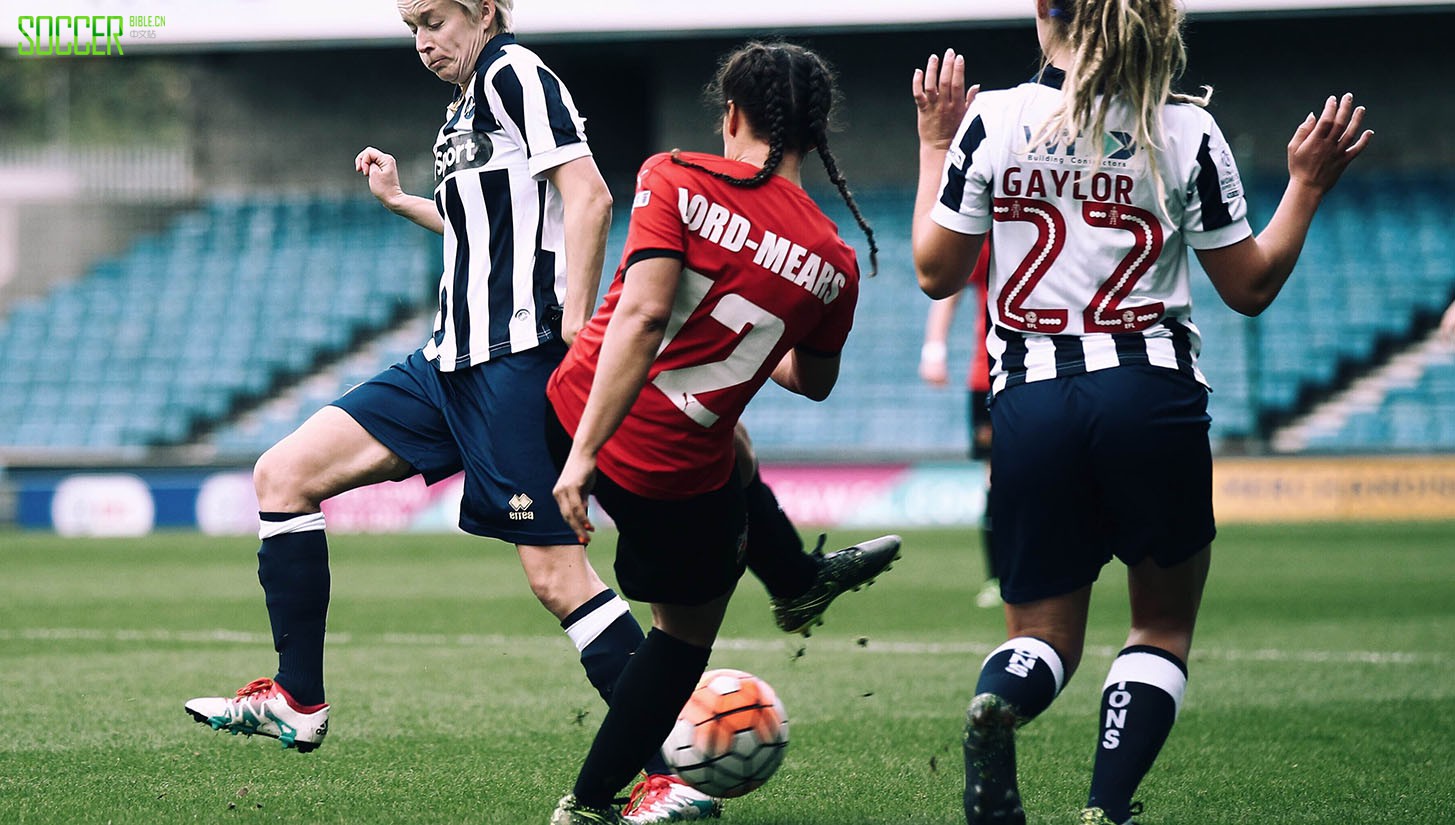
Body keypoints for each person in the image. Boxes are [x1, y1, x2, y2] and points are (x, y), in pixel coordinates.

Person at [183, 5, 895, 822]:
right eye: (411, 22)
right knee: (282, 474)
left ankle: (668, 768)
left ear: (484, 10)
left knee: (557, 576)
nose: (423, 37)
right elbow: (489, 229)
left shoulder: (516, 72)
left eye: (437, 17)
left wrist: (576, 323)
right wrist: (404, 201)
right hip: (447, 359)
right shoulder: (466, 105)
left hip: (513, 359)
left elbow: (586, 198)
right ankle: (297, 697)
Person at [909, 1, 1371, 822]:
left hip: (1030, 399)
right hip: (1148, 389)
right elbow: (1249, 287)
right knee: (1157, 628)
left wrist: (933, 143)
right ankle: (1104, 808)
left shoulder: (989, 119)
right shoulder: (1186, 129)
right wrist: (1304, 186)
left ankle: (997, 706)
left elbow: (936, 273)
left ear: (1047, 14)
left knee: (1039, 638)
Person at [544, 40, 878, 824]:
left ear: (730, 114)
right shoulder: (835, 261)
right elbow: (812, 380)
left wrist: (583, 452)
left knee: (736, 447)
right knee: (681, 639)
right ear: (816, 131)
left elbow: (645, 312)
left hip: (571, 408)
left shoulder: (675, 175)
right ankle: (590, 803)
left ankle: (795, 577)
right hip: (669, 468)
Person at [918, 242, 1000, 608]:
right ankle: (999, 577)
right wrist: (934, 348)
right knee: (995, 476)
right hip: (990, 375)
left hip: (1048, 370)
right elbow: (948, 284)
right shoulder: (993, 233)